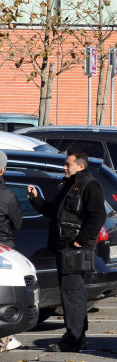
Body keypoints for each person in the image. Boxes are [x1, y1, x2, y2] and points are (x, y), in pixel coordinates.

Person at [27, 150, 106, 353]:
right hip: (65, 247)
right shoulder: (70, 185)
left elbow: (98, 216)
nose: (64, 167)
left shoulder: (89, 185)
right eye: (65, 164)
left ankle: (74, 339)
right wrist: (37, 200)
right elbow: (56, 212)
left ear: (80, 166)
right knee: (72, 294)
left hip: (75, 248)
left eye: (68, 164)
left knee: (72, 294)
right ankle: (78, 336)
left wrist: (82, 239)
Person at [0, 151, 23, 353]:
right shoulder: (7, 195)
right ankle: (4, 340)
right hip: (3, 248)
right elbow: (17, 222)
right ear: (2, 169)